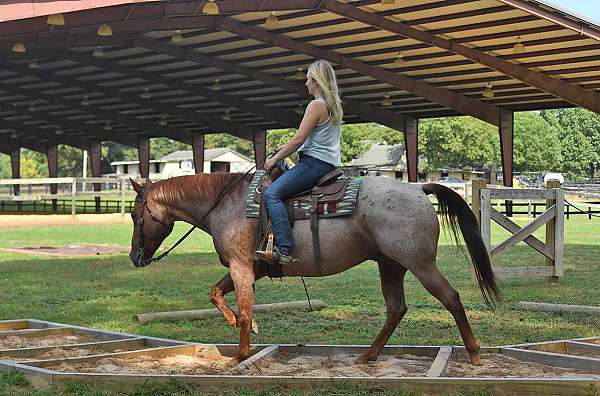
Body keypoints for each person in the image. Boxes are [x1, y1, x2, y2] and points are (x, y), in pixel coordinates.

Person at [255, 59, 343, 265]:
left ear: (316, 81)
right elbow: (308, 141)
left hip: (314, 164)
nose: (305, 84)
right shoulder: (332, 106)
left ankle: (283, 249)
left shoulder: (316, 105)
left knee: (272, 193)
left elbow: (299, 139)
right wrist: (284, 151)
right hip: (325, 163)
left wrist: (275, 158)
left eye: (308, 80)